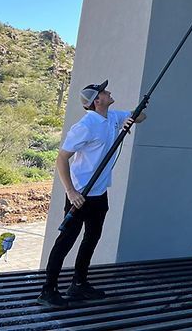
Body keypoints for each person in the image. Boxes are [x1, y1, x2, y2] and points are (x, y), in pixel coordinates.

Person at [37, 80, 145, 307]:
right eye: (105, 92)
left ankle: (79, 284)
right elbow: (62, 158)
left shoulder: (113, 117)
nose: (109, 92)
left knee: (92, 238)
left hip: (99, 193)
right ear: (97, 100)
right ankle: (48, 291)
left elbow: (142, 116)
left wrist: (132, 118)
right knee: (66, 241)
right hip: (81, 193)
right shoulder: (85, 126)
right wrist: (70, 191)